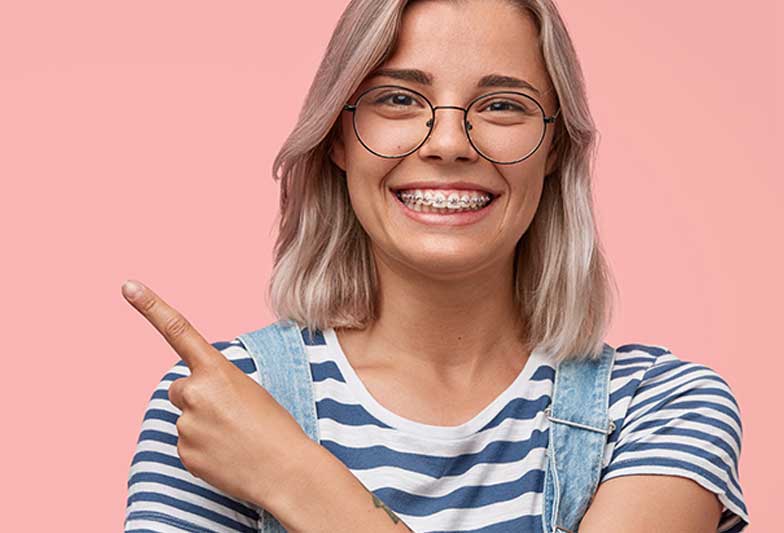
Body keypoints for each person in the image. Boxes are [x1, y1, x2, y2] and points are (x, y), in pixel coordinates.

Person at [123, 0, 750, 531]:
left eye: (503, 105)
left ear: (553, 147)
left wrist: (304, 485)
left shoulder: (663, 406)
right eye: (398, 99)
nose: (448, 143)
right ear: (337, 137)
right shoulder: (223, 401)